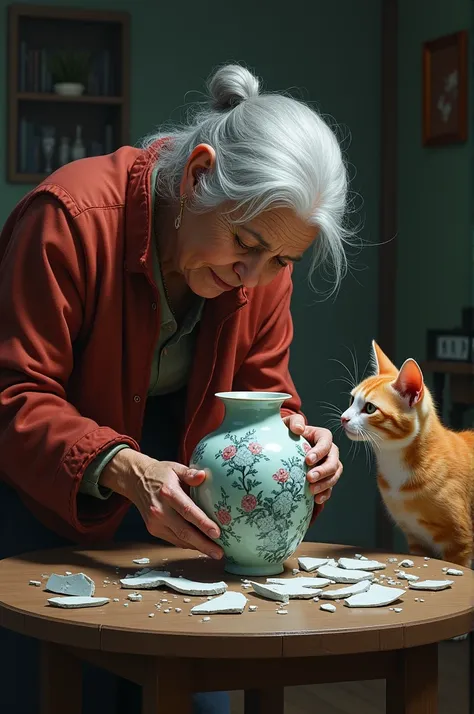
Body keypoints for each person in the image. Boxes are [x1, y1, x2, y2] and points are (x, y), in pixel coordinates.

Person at [0, 64, 349, 713]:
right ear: (197, 177)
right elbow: (15, 395)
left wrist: (302, 448)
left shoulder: (262, 275)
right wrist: (126, 469)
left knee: (191, 696)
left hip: (180, 506)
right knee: (54, 690)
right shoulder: (69, 220)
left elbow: (267, 396)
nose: (255, 274)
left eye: (281, 260)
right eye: (244, 243)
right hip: (44, 492)